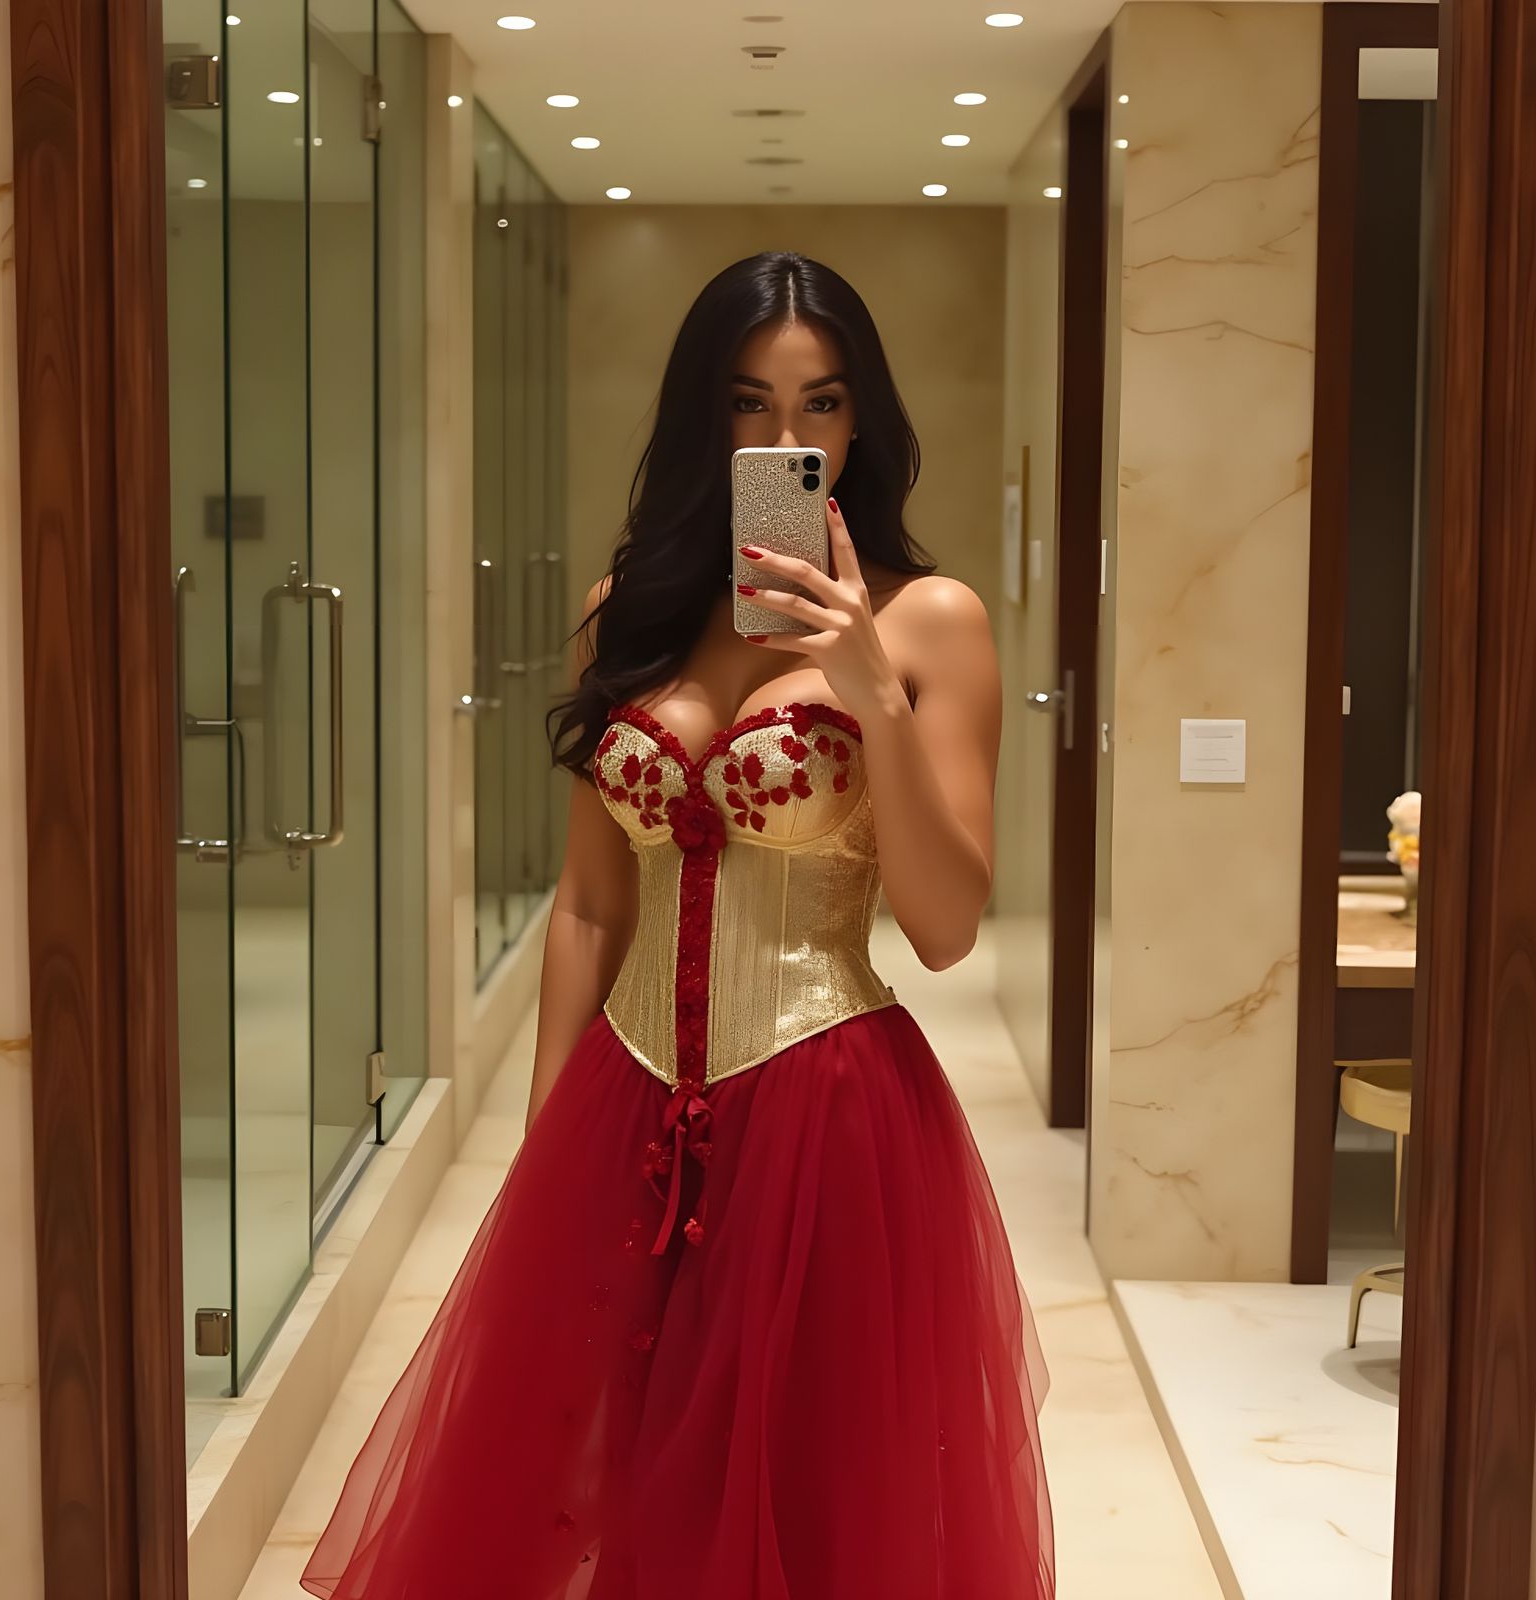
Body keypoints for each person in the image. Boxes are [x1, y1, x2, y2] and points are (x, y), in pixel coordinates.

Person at [301, 251, 1055, 1600]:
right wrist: (546, 1151)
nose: (783, 437)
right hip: (624, 1099)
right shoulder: (628, 613)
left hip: (826, 1117)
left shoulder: (931, 622)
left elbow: (944, 928)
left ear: (863, 419)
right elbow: (592, 902)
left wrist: (873, 694)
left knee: (800, 1489)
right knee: (603, 1471)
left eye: (820, 403)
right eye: (748, 402)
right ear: (703, 416)